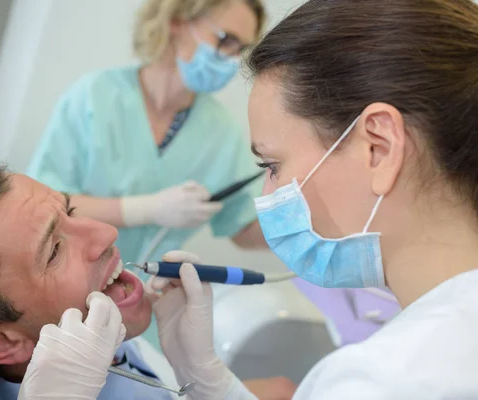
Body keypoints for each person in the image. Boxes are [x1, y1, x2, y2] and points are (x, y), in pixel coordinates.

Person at [145, 0, 478, 398]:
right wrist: (208, 380)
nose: (266, 197)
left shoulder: (381, 380)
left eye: (271, 165)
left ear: (380, 148)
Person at [0, 159, 295, 400]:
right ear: (0, 342)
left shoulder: (109, 353)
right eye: (54, 250)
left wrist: (207, 379)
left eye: (70, 214)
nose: (105, 233)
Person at [27, 0, 269, 266]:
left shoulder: (222, 132)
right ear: (177, 20)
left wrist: (311, 224)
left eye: (241, 49)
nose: (232, 60)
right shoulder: (94, 97)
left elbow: (243, 227)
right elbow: (45, 204)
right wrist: (146, 210)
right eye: (226, 40)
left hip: (142, 296)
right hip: (65, 281)